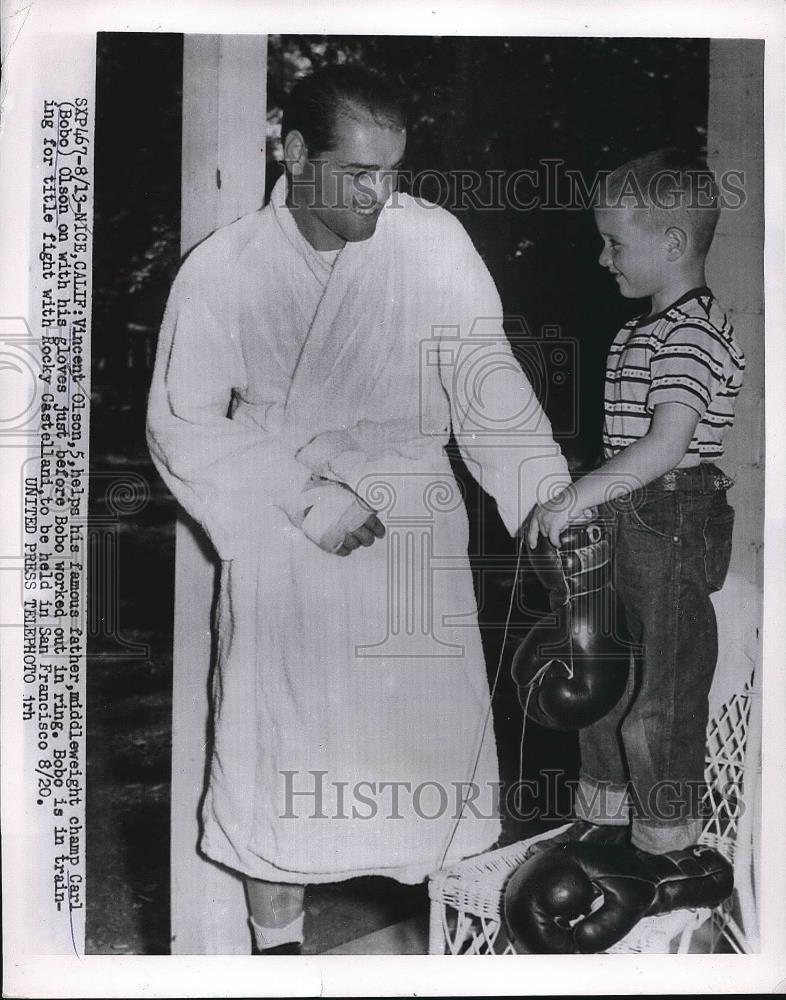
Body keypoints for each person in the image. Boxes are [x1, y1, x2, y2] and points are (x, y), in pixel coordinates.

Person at [147, 64, 569, 953]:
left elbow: (484, 381)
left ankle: (454, 957)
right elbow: (182, 422)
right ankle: (280, 958)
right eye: (360, 174)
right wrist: (305, 497)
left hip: (413, 535)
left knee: (432, 768)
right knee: (281, 762)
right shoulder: (225, 268)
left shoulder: (432, 245)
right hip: (286, 533)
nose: (382, 195)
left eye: (395, 172)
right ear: (296, 154)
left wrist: (547, 499)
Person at [527, 148, 745, 857]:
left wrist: (577, 494)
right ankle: (605, 821)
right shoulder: (640, 330)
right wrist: (592, 500)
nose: (602, 259)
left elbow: (665, 445)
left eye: (615, 243)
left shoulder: (689, 332)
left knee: (662, 700)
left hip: (672, 521)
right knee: (605, 682)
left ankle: (669, 845)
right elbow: (630, 454)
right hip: (632, 520)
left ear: (673, 243)